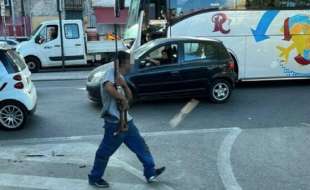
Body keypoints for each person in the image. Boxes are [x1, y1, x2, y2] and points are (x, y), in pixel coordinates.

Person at [88, 51, 166, 188]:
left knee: (142, 147)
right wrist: (121, 97)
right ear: (122, 62)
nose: (133, 63)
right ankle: (95, 177)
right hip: (114, 123)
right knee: (104, 152)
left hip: (127, 121)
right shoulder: (110, 72)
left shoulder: (120, 76)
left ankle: (150, 172)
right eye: (130, 60)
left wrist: (124, 86)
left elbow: (130, 98)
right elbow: (108, 87)